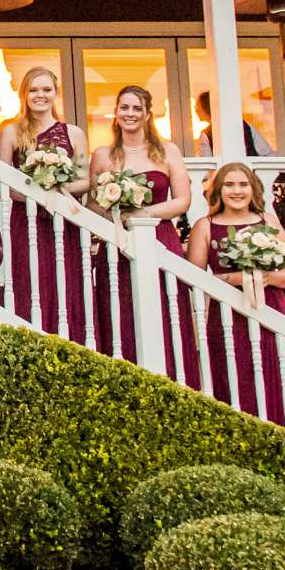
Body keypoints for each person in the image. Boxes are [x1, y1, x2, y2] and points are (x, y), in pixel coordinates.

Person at [186, 162, 285, 427]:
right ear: (218, 190)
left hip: (271, 309)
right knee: (234, 380)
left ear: (253, 189)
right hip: (228, 315)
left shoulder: (268, 221)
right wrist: (235, 279)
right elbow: (194, 279)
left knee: (276, 377)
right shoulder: (205, 226)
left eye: (243, 184)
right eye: (229, 184)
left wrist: (265, 277)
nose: (236, 191)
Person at [87, 85, 191, 365]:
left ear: (147, 114)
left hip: (160, 239)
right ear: (116, 112)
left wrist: (142, 214)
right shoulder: (103, 155)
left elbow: (182, 201)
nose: (129, 114)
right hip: (117, 245)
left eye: (136, 109)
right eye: (124, 107)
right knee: (122, 312)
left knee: (163, 310)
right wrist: (114, 217)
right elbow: (94, 204)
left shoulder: (167, 152)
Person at [0, 65, 85, 330]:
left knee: (66, 281)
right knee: (30, 278)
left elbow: (85, 179)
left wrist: (57, 189)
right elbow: (2, 182)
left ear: (56, 92)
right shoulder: (11, 132)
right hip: (27, 219)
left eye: (46, 89)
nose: (40, 95)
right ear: (24, 94)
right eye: (33, 90)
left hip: (65, 220)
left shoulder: (73, 133)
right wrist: (38, 196)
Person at [194, 90, 273, 159]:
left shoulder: (205, 135)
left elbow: (207, 170)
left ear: (206, 107)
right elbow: (268, 154)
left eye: (197, 106)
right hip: (248, 174)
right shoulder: (245, 125)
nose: (196, 110)